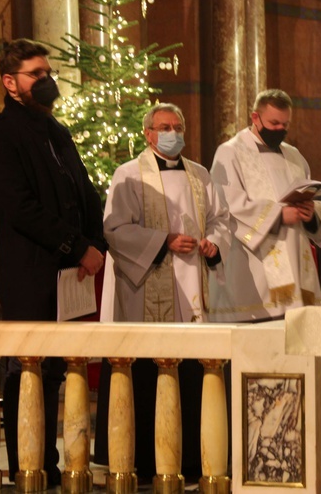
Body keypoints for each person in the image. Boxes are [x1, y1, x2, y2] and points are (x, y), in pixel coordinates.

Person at [0, 38, 106, 486]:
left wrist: (96, 243)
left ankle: (54, 462)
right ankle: (27, 465)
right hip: (29, 270)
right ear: (11, 83)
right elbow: (20, 208)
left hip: (70, 270)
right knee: (28, 365)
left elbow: (83, 193)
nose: (46, 80)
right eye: (36, 74)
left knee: (59, 367)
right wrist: (76, 245)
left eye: (48, 72)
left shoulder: (57, 131)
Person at [94, 102, 231, 481]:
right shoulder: (128, 174)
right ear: (148, 134)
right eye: (165, 127)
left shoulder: (200, 175)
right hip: (145, 291)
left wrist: (214, 244)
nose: (173, 134)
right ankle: (143, 461)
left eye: (178, 126)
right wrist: (162, 241)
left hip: (194, 289)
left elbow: (222, 220)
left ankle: (191, 461)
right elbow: (115, 231)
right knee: (147, 374)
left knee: (191, 372)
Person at [209, 89, 321, 322]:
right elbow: (227, 205)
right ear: (255, 118)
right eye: (274, 123)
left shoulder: (294, 155)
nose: (280, 130)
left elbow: (309, 194)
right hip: (254, 269)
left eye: (285, 125)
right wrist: (278, 216)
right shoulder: (230, 152)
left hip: (296, 264)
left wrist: (311, 213)